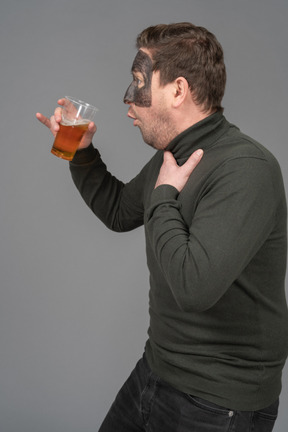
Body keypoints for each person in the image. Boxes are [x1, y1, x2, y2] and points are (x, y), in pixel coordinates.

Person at [36, 22, 288, 432]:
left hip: (216, 402)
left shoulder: (246, 168)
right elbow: (120, 211)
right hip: (156, 371)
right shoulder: (176, 154)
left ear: (177, 90)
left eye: (138, 81)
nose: (127, 100)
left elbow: (193, 287)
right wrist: (80, 153)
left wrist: (165, 194)